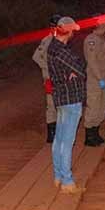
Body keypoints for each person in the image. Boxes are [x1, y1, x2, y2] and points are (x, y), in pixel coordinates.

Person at [47, 16, 86, 193]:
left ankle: (58, 176)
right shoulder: (61, 50)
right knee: (66, 141)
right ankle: (67, 181)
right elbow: (80, 68)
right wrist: (74, 71)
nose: (73, 34)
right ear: (67, 30)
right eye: (72, 30)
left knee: (59, 139)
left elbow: (75, 69)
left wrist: (73, 71)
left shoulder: (52, 47)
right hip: (70, 98)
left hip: (61, 97)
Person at [32, 14, 62, 143]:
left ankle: (59, 132)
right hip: (50, 78)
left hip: (61, 78)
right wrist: (48, 67)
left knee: (61, 105)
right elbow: (36, 57)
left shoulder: (61, 40)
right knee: (51, 106)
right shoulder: (47, 40)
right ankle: (51, 134)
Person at [83, 18, 105, 146]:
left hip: (102, 79)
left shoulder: (100, 39)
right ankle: (89, 138)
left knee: (101, 108)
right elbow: (92, 62)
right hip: (95, 80)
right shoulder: (91, 40)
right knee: (93, 107)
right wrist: (100, 79)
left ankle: (96, 134)